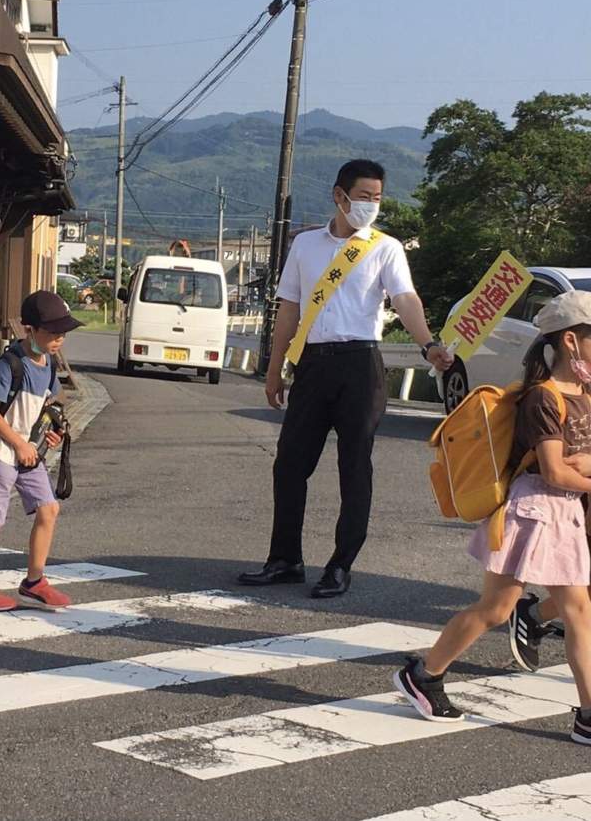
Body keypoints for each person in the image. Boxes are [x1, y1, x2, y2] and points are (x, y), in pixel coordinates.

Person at [237, 159, 453, 598]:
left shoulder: (384, 247)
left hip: (360, 364)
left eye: (377, 198)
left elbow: (405, 299)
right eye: (363, 197)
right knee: (290, 465)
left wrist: (429, 344)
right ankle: (284, 559)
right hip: (313, 364)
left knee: (354, 467)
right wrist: (276, 368)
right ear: (339, 196)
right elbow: (290, 310)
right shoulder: (305, 245)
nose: (371, 206)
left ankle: (340, 564)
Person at [394, 291, 591, 744]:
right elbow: (557, 469)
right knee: (495, 609)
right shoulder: (543, 398)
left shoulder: (584, 393)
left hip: (564, 513)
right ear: (570, 342)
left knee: (579, 610)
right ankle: (424, 674)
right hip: (533, 510)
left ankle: (587, 715)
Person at [0, 291, 80, 612]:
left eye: (62, 334)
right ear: (30, 330)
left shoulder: (48, 367)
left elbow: (45, 405)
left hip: (29, 454)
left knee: (48, 509)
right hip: (0, 452)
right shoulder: (10, 365)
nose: (59, 340)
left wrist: (50, 434)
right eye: (52, 333)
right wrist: (18, 442)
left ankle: (34, 582)